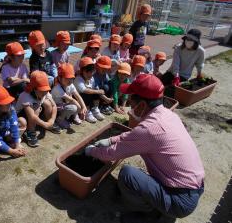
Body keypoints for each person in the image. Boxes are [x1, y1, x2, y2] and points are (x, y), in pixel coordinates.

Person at [85, 74, 205, 223]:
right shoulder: (168, 115)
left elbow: (110, 154)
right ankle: (161, 206)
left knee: (128, 175)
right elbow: (135, 135)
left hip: (180, 200)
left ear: (142, 104)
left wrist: (90, 151)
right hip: (194, 188)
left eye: (132, 100)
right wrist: (111, 139)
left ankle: (152, 214)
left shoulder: (150, 129)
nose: (129, 103)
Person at [16, 71, 61, 148]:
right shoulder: (26, 96)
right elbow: (32, 116)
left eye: (46, 89)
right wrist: (44, 124)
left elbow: (54, 106)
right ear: (34, 89)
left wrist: (52, 120)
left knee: (47, 103)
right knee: (36, 107)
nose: (45, 92)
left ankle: (50, 124)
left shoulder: (44, 92)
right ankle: (30, 132)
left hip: (34, 111)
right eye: (42, 90)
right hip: (21, 115)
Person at [51, 63, 87, 129]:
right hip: (57, 107)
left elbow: (78, 96)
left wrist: (84, 107)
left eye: (71, 78)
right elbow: (72, 100)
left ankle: (74, 115)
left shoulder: (70, 84)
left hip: (65, 103)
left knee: (74, 104)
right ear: (59, 77)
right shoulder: (57, 88)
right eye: (67, 78)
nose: (70, 81)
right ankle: (60, 119)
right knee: (73, 107)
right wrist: (80, 109)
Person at [74, 57, 105, 123]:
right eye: (87, 72)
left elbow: (95, 89)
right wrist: (97, 91)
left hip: (88, 102)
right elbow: (84, 90)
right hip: (79, 102)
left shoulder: (92, 78)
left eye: (91, 72)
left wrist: (103, 96)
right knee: (88, 93)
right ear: (82, 71)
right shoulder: (78, 79)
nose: (90, 74)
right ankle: (87, 113)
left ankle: (95, 110)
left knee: (96, 92)